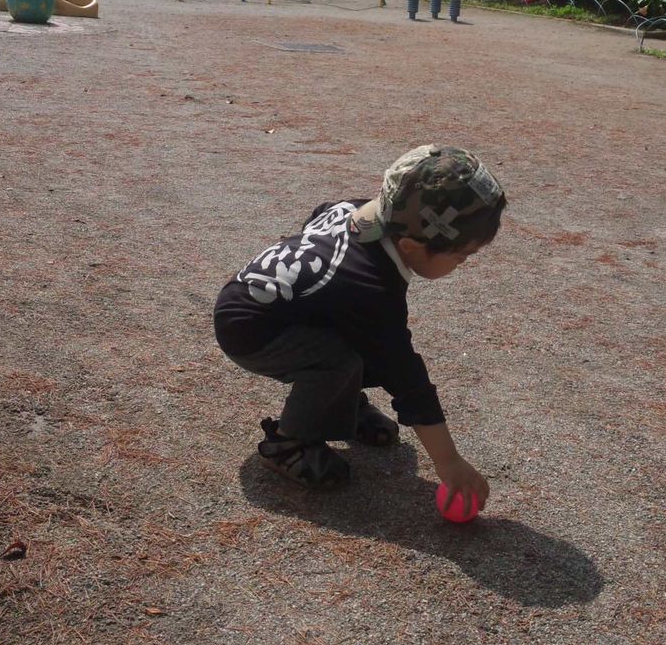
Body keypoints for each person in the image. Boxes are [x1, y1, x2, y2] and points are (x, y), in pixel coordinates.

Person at [213, 145, 506, 507]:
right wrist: (448, 461)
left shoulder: (353, 209)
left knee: (355, 339)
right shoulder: (370, 289)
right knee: (340, 359)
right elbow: (405, 376)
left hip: (271, 307)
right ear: (410, 246)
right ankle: (288, 443)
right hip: (250, 329)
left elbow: (319, 214)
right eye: (462, 256)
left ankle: (340, 405)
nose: (464, 263)